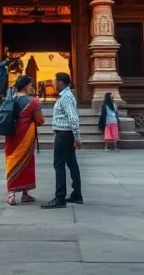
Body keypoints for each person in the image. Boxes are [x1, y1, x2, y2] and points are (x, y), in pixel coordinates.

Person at [42, 72, 82, 209]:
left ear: (61, 83)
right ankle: (77, 194)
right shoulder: (67, 96)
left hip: (64, 134)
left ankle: (60, 197)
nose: (53, 83)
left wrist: (77, 137)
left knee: (59, 165)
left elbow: (73, 118)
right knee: (71, 163)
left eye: (54, 81)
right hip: (67, 133)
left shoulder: (66, 97)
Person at [5, 75, 45, 205]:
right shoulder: (33, 101)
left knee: (11, 160)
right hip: (26, 135)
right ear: (27, 86)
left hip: (10, 134)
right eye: (30, 85)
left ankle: (11, 193)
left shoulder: (10, 99)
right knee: (27, 162)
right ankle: (25, 193)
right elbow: (40, 120)